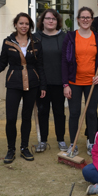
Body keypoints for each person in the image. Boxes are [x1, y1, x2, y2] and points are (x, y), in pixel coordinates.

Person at [0, 12, 46, 163]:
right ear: (15, 25)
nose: (24, 26)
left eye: (27, 24)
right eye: (21, 23)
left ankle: (24, 148)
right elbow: (2, 64)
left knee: (26, 117)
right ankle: (11, 149)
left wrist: (43, 85)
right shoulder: (8, 42)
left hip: (32, 84)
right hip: (14, 83)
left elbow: (40, 65)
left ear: (30, 26)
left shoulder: (36, 42)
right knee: (11, 118)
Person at [62, 6, 98, 156]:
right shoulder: (70, 37)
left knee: (92, 112)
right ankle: (73, 144)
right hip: (74, 82)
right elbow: (63, 61)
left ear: (92, 20)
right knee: (74, 113)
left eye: (88, 17)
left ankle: (92, 143)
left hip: (92, 83)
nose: (85, 20)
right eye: (83, 17)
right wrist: (65, 84)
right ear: (78, 19)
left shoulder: (97, 38)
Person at [33, 9, 68, 153]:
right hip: (42, 83)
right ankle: (43, 140)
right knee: (43, 111)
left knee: (59, 112)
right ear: (42, 20)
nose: (51, 21)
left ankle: (61, 139)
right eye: (47, 18)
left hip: (59, 82)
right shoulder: (35, 38)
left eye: (53, 18)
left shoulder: (64, 38)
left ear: (57, 21)